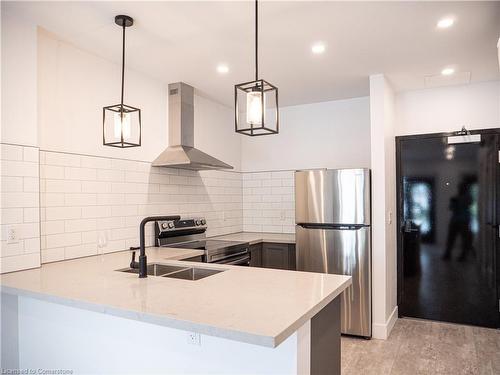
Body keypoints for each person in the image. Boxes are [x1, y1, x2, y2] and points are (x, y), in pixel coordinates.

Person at [442, 180, 474, 261]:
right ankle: (448, 253)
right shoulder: (457, 197)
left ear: (465, 188)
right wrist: (453, 203)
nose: (460, 189)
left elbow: (468, 203)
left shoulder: (467, 197)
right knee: (451, 237)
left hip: (463, 220)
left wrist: (457, 201)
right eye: (459, 187)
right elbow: (451, 208)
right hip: (455, 220)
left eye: (461, 187)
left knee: (464, 239)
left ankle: (463, 255)